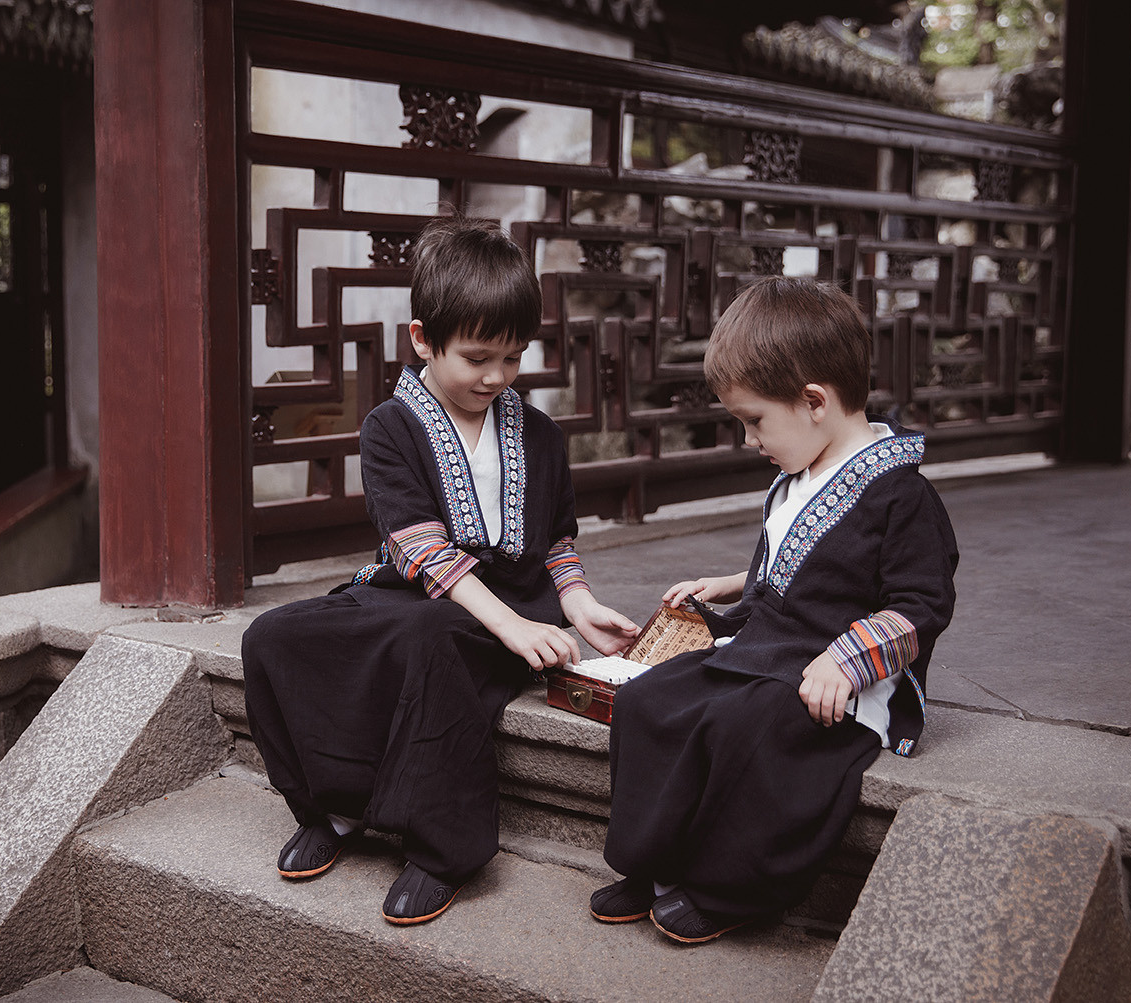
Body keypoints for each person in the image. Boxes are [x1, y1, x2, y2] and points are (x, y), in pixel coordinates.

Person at [242, 215, 638, 926]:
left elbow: (556, 537)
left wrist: (576, 606)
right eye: (478, 357)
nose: (496, 376)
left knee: (428, 642)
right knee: (272, 636)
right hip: (428, 594)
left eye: (513, 358)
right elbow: (424, 556)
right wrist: (511, 625)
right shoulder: (390, 428)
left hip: (502, 607)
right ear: (423, 338)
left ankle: (444, 847)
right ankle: (333, 808)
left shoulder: (540, 433)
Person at [590, 276, 958, 943]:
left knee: (747, 723)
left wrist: (845, 661)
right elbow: (800, 565)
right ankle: (654, 861)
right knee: (650, 700)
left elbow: (920, 603)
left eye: (753, 420)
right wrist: (732, 583)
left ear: (813, 400)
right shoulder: (799, 473)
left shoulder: (901, 496)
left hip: (833, 671)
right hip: (768, 645)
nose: (749, 437)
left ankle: (730, 887)